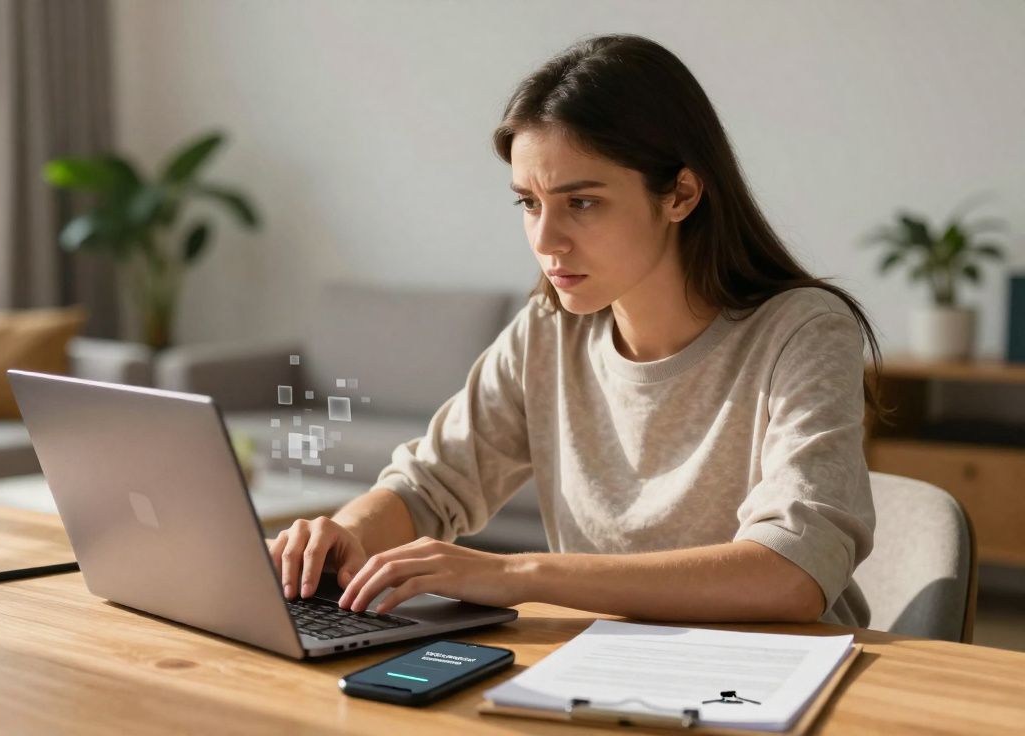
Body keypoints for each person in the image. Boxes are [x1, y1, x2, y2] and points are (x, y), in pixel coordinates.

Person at [267, 33, 881, 628]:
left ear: (681, 194)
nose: (545, 240)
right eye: (529, 203)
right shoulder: (549, 330)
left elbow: (793, 573)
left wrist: (520, 573)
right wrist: (343, 535)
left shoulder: (802, 332)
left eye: (580, 202)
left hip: (777, 673)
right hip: (598, 664)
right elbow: (428, 486)